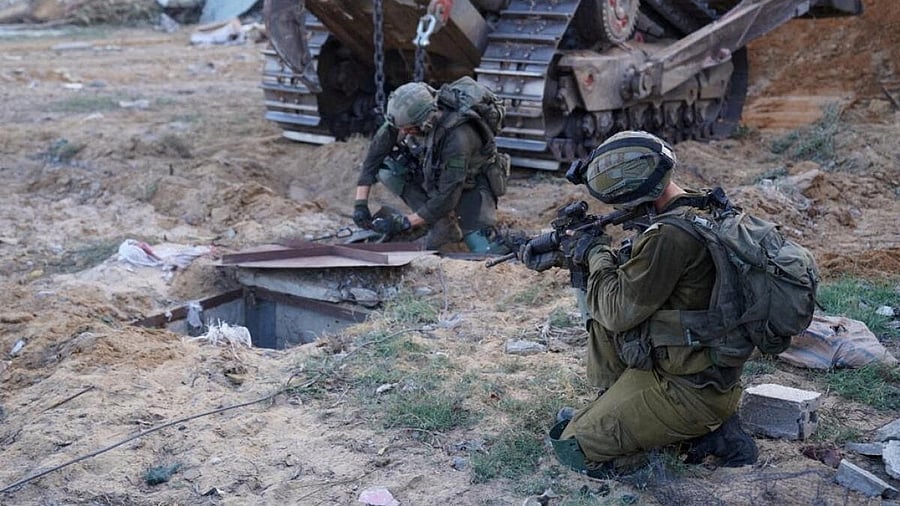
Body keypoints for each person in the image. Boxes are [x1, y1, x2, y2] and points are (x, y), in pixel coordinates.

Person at [520, 130, 758, 475]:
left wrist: (595, 251)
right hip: (701, 373)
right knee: (603, 301)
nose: (621, 212)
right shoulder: (699, 207)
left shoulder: (670, 236)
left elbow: (618, 311)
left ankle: (699, 437)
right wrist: (570, 256)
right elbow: (636, 275)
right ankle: (629, 411)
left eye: (623, 203)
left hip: (688, 390)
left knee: (573, 447)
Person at [351, 81, 509, 253]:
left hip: (470, 182)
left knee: (485, 250)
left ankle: (439, 221)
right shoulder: (406, 118)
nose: (403, 133)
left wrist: (405, 222)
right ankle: (442, 226)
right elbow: (374, 157)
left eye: (407, 130)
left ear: (424, 123)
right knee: (388, 170)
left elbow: (449, 195)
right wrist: (360, 204)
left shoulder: (457, 138)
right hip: (435, 171)